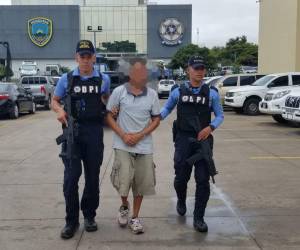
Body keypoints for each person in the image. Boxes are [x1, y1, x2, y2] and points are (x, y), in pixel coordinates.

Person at [51, 40, 110, 239]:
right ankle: (71, 221)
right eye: (81, 56)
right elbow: (54, 100)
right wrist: (59, 111)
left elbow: (105, 100)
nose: (85, 60)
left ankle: (90, 216)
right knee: (70, 179)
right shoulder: (66, 79)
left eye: (88, 56)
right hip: (72, 133)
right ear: (76, 57)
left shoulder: (103, 79)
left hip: (94, 132)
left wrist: (110, 109)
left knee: (92, 178)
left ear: (94, 57)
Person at [160, 55, 224, 233]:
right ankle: (181, 199)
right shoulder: (177, 92)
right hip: (183, 140)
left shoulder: (211, 93)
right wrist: (154, 119)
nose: (199, 71)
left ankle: (198, 217)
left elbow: (220, 115)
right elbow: (166, 109)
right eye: (196, 68)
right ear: (188, 70)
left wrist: (210, 128)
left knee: (203, 180)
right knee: (181, 177)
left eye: (202, 68)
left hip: (203, 140)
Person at [106, 57, 160, 234]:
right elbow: (108, 116)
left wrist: (140, 135)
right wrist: (123, 135)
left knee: (141, 183)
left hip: (144, 145)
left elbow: (156, 119)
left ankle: (135, 217)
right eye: (136, 71)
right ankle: (124, 205)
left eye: (143, 71)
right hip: (122, 144)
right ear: (130, 73)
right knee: (124, 180)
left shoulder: (152, 94)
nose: (140, 74)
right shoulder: (119, 92)